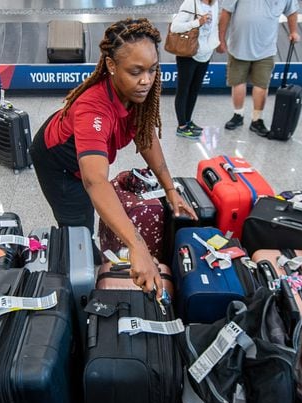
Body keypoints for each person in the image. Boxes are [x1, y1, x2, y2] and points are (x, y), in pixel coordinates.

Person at [29, 18, 198, 294]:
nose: (146, 80)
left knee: (96, 206)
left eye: (153, 69)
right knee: (79, 224)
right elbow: (95, 181)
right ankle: (83, 271)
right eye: (136, 71)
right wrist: (137, 246)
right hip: (57, 163)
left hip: (82, 150)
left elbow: (145, 136)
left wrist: (170, 189)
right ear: (111, 66)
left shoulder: (137, 93)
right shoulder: (92, 109)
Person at [217, 0, 300, 136]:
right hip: (239, 46)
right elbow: (226, 11)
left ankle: (257, 120)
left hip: (266, 48)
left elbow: (292, 12)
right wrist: (221, 38)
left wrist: (293, 31)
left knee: (261, 85)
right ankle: (238, 115)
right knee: (238, 82)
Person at [171, 0, 220, 139]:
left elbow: (214, 25)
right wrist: (198, 22)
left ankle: (188, 120)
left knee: (195, 89)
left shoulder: (214, 4)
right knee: (183, 89)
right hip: (188, 53)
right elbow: (175, 27)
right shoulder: (190, 3)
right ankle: (181, 126)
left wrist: (215, 43)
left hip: (205, 53)